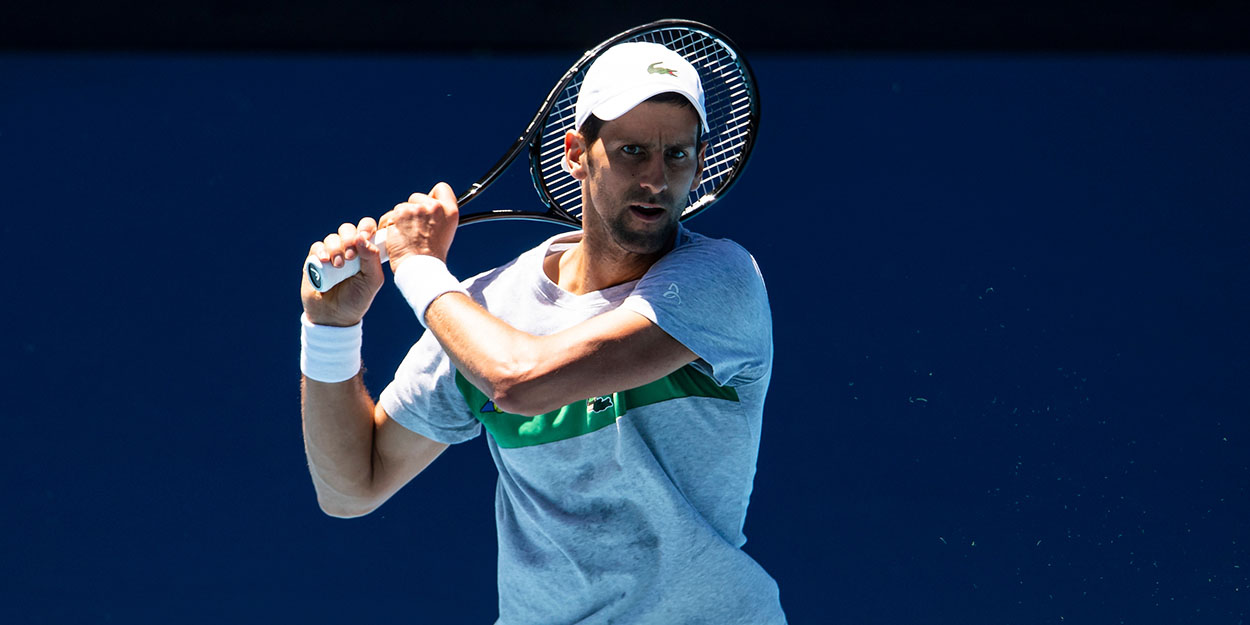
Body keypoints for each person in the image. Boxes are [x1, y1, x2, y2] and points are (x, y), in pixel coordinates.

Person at [299, 41, 786, 624]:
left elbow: (520, 381)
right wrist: (331, 326)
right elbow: (352, 488)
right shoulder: (483, 311)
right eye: (632, 151)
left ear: (701, 162)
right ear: (576, 153)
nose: (657, 179)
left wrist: (418, 264)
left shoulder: (722, 280)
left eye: (677, 154)